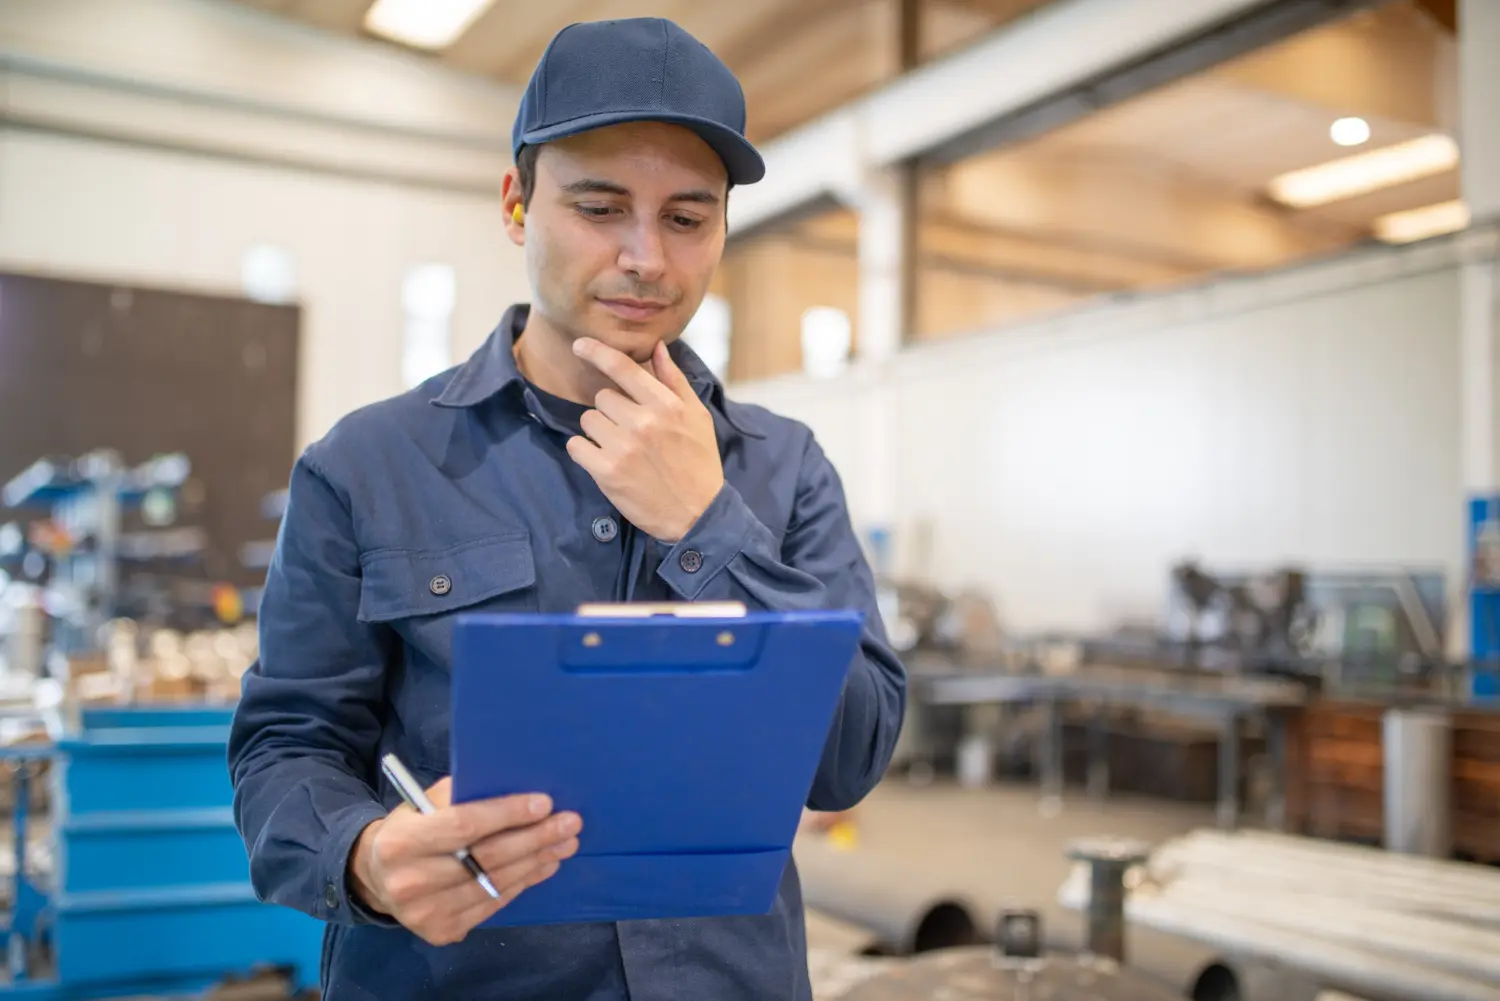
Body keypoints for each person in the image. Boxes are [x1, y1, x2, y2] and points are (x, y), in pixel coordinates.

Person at [228, 16, 906, 1001]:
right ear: (516, 203)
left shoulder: (782, 468)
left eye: (687, 217)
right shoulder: (367, 465)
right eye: (600, 207)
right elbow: (285, 746)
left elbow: (850, 759)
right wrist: (368, 855)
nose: (646, 257)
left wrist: (708, 525)